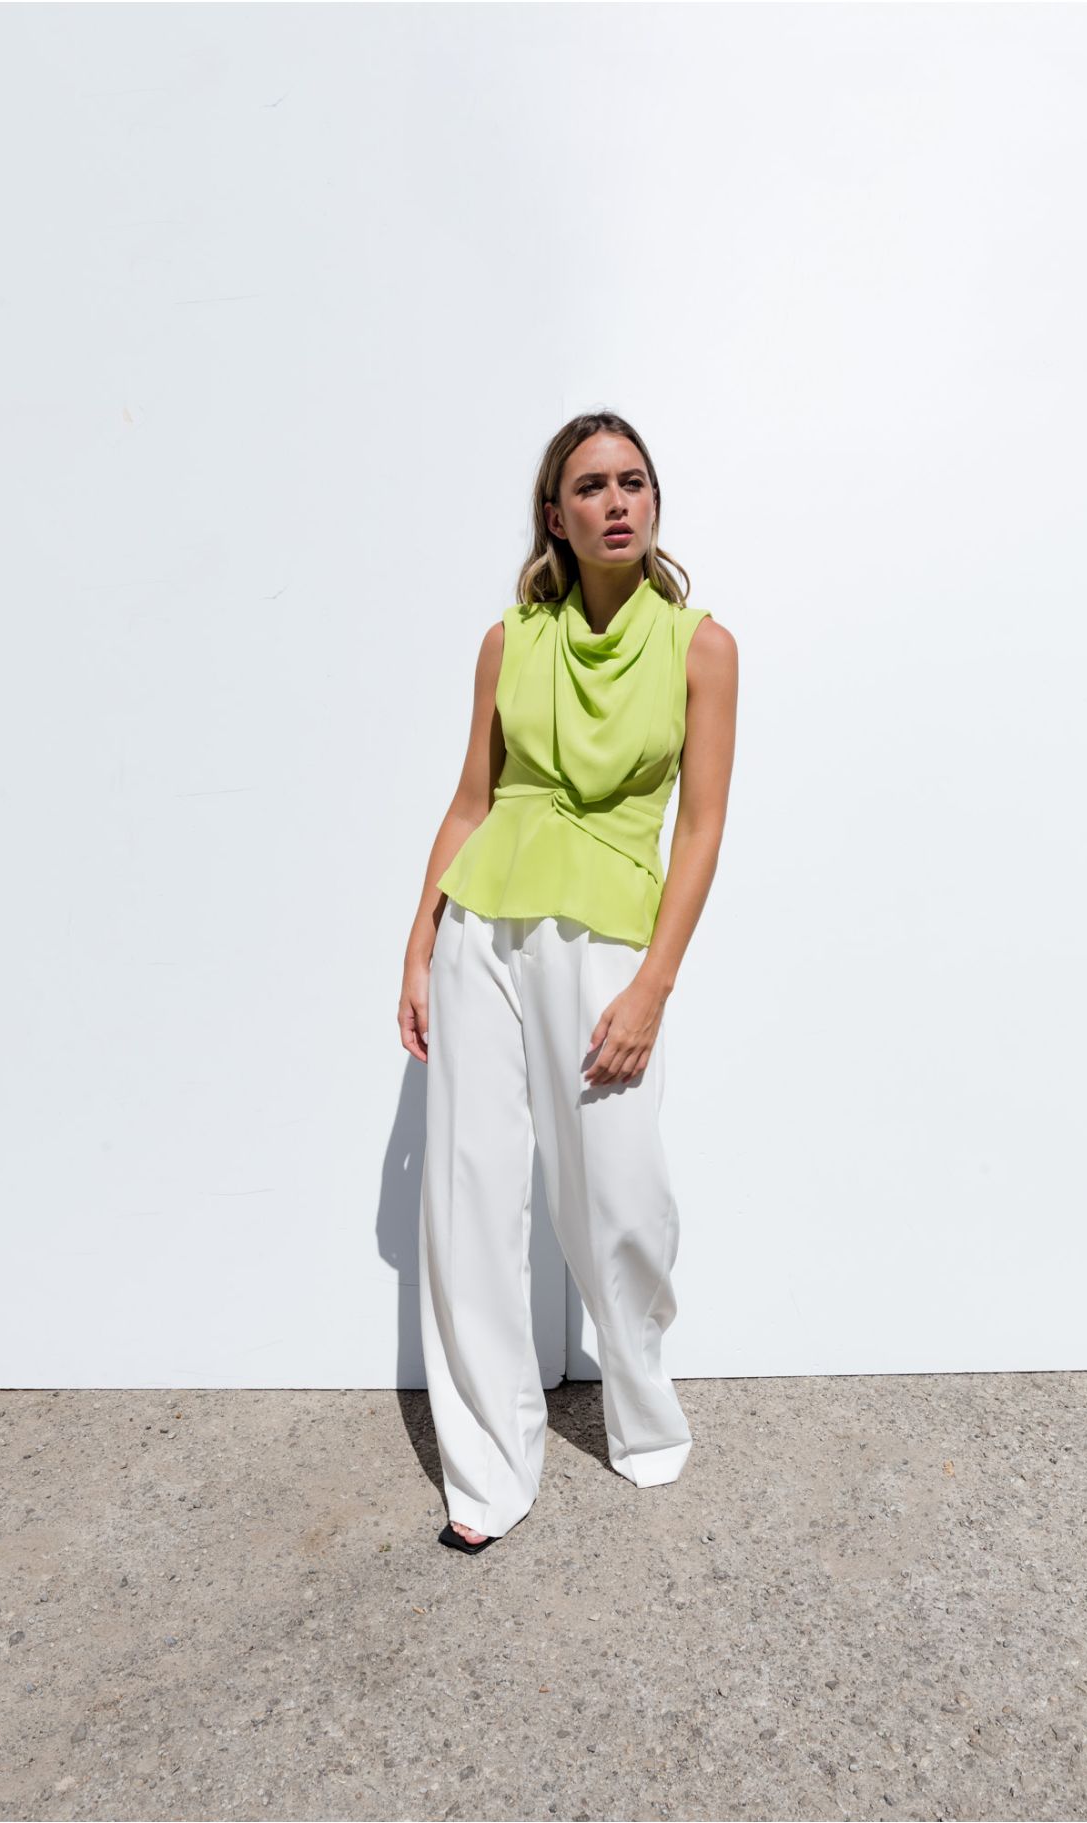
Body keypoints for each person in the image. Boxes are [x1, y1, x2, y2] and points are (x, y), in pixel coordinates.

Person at [397, 409, 738, 1552]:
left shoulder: (700, 647)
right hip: (481, 930)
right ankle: (488, 1471)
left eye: (633, 481)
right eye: (590, 485)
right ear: (556, 514)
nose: (616, 501)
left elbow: (701, 831)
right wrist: (418, 942)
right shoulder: (509, 641)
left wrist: (655, 987)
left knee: (621, 1195)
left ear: (655, 502)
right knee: (471, 1195)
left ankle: (641, 1401)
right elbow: (471, 802)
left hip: (605, 943)